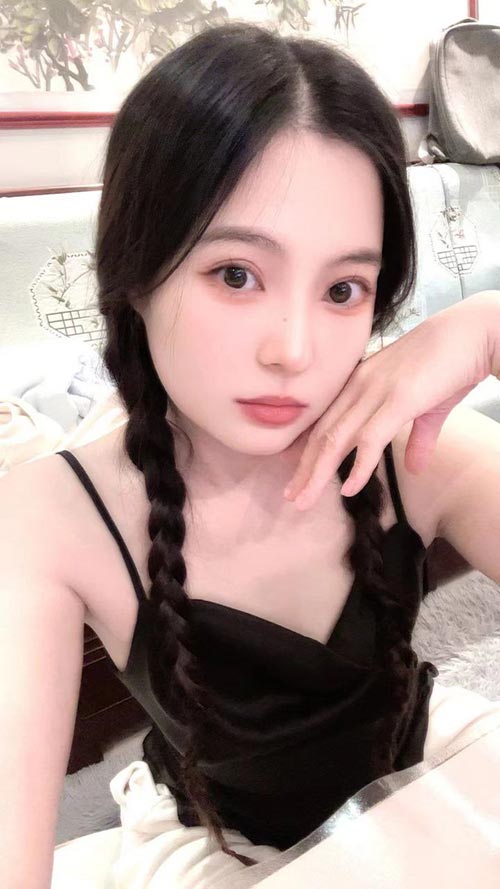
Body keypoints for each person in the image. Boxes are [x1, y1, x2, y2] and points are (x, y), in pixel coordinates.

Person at [2, 21, 500, 889]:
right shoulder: (49, 521)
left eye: (343, 288)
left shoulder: (413, 447)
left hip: (421, 771)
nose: (294, 351)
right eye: (236, 274)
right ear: (137, 272)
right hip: (221, 846)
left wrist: (492, 329)